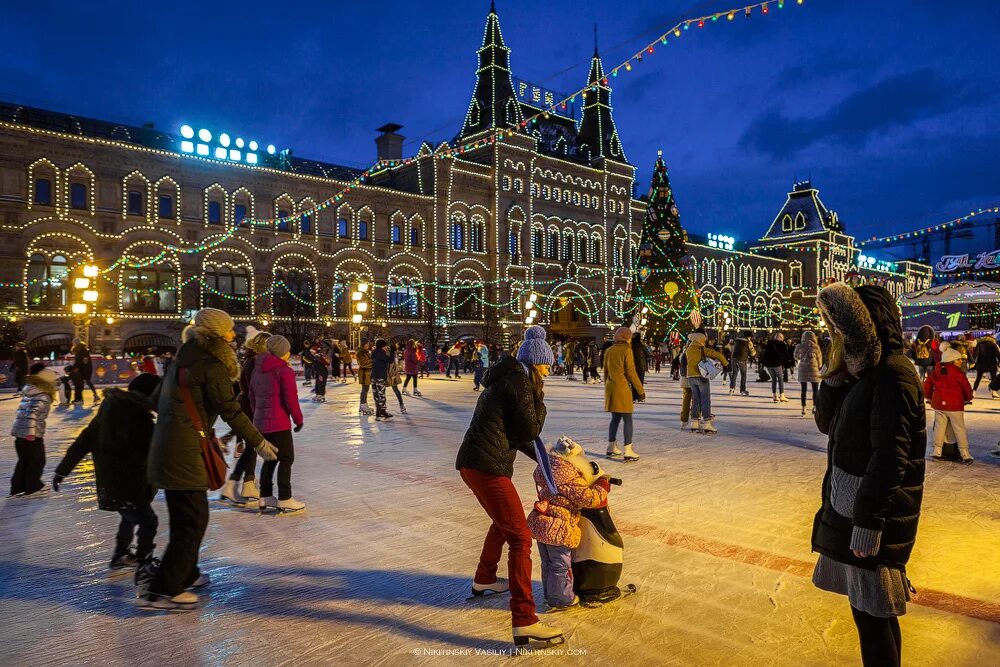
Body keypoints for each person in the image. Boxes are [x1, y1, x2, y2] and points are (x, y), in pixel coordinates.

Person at [812, 283, 926, 667]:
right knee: (872, 614)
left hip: (870, 516)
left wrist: (869, 523)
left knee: (874, 617)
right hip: (855, 510)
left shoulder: (894, 375)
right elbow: (826, 424)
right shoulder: (864, 375)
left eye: (844, 329)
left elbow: (891, 458)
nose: (838, 337)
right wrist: (835, 374)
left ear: (867, 325)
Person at [142, 308, 277, 611]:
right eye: (229, 329)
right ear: (216, 333)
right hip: (185, 450)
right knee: (193, 519)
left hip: (168, 445)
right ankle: (163, 588)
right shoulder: (211, 364)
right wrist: (258, 442)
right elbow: (230, 410)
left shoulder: (183, 358)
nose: (234, 334)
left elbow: (153, 401)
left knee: (184, 516)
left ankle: (185, 573)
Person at [455, 324, 562, 647]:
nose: (548, 369)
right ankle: (525, 620)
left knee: (503, 524)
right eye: (545, 364)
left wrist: (547, 458)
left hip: (477, 462)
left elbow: (517, 433)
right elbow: (529, 426)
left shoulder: (508, 377)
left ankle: (485, 578)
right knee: (520, 536)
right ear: (533, 363)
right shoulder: (519, 382)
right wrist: (541, 400)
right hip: (486, 466)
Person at [52, 373, 162, 567]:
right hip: (131, 484)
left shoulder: (109, 411)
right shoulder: (139, 419)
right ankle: (144, 562)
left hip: (112, 483)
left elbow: (83, 441)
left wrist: (62, 470)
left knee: (129, 517)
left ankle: (120, 554)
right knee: (148, 521)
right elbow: (158, 451)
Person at [527, 437, 610, 610]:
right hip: (559, 528)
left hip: (542, 524)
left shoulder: (550, 472)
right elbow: (589, 499)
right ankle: (562, 599)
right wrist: (603, 485)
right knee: (560, 566)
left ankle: (550, 595)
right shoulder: (570, 478)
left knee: (547, 563)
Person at [250, 335, 306, 511]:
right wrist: (298, 419)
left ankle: (265, 496)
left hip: (260, 422)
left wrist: (257, 416)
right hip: (279, 423)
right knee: (286, 458)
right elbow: (291, 399)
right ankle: (285, 497)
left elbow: (252, 396)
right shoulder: (284, 371)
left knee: (270, 459)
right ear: (283, 352)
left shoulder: (257, 369)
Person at [220, 328, 270, 505]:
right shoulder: (256, 362)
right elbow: (255, 388)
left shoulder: (252, 360)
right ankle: (244, 483)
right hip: (252, 406)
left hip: (248, 404)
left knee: (252, 446)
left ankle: (243, 482)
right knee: (254, 445)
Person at [9, 363, 58, 497]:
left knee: (24, 461)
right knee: (37, 460)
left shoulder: (31, 390)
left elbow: (24, 412)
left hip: (20, 432)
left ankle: (17, 488)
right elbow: (32, 413)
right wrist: (30, 434)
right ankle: (33, 488)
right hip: (31, 434)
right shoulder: (43, 395)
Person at [924, 347, 975, 463]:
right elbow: (966, 388)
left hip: (939, 405)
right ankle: (965, 454)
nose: (961, 361)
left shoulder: (936, 371)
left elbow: (927, 385)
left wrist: (929, 397)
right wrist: (968, 398)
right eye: (958, 360)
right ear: (951, 360)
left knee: (939, 428)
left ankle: (937, 451)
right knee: (959, 429)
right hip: (954, 405)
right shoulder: (958, 373)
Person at [604, 327, 645, 461]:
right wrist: (640, 390)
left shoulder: (609, 350)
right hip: (622, 387)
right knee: (627, 418)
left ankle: (611, 447)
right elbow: (631, 372)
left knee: (615, 418)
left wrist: (608, 386)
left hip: (611, 387)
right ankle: (628, 450)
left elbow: (605, 372)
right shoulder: (626, 350)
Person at [685, 330, 728, 433]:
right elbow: (717, 354)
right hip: (701, 376)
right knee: (705, 399)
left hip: (691, 376)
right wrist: (725, 364)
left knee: (696, 399)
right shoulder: (702, 349)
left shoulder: (688, 349)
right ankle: (706, 423)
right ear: (700, 340)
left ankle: (694, 421)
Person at [795, 330, 823, 417]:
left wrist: (801, 358)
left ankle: (803, 407)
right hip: (813, 369)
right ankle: (815, 406)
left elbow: (795, 356)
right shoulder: (816, 347)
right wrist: (819, 366)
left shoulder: (799, 346)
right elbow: (819, 359)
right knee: (815, 390)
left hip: (803, 369)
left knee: (803, 390)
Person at [762, 332, 789, 402]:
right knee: (780, 379)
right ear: (781, 338)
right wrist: (786, 364)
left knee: (774, 379)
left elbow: (765, 354)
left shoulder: (769, 343)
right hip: (777, 364)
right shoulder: (782, 344)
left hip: (768, 365)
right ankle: (782, 395)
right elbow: (785, 355)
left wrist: (763, 363)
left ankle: (774, 396)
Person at [370, 339, 393, 421]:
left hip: (373, 376)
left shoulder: (374, 352)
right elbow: (390, 360)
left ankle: (378, 413)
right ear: (382, 346)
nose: (387, 347)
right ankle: (382, 411)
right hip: (380, 376)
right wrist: (392, 351)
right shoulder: (381, 353)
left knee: (376, 395)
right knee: (381, 395)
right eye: (386, 345)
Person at [728, 331, 755, 396]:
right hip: (742, 359)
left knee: (734, 374)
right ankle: (742, 390)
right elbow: (753, 352)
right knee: (743, 375)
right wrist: (751, 354)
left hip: (734, 358)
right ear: (749, 336)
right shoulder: (748, 342)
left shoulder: (736, 340)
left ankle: (731, 389)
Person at [387, 342, 407, 414]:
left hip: (390, 375)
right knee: (395, 390)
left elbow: (392, 366)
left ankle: (401, 405)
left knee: (394, 390)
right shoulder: (393, 354)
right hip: (391, 375)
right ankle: (401, 405)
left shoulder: (390, 354)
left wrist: (392, 375)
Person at [630, 332, 650, 402]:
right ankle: (640, 396)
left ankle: (633, 397)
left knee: (633, 381)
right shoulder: (642, 346)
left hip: (632, 366)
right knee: (640, 382)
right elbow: (648, 355)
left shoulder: (630, 346)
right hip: (641, 366)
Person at [356, 340, 373, 415]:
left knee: (366, 389)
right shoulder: (361, 352)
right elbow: (363, 363)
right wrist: (373, 362)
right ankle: (363, 405)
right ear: (364, 344)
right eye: (367, 344)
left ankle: (363, 404)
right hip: (364, 373)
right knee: (365, 389)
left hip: (367, 373)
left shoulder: (365, 352)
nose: (368, 346)